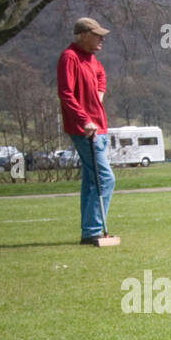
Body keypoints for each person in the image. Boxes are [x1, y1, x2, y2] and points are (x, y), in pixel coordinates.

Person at [57, 17, 115, 244]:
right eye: (97, 34)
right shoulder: (69, 58)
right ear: (83, 35)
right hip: (84, 130)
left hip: (99, 127)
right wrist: (84, 119)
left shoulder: (92, 60)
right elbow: (66, 94)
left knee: (92, 180)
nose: (102, 38)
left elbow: (101, 76)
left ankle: (88, 230)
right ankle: (92, 231)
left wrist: (99, 95)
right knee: (105, 178)